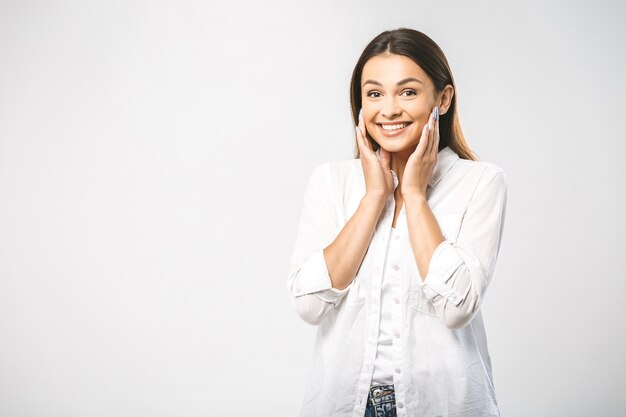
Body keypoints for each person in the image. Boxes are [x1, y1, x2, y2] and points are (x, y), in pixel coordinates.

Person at [286, 28, 508, 417]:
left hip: (443, 406)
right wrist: (374, 197)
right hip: (345, 405)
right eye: (374, 93)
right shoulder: (331, 181)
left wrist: (416, 196)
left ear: (442, 98)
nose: (388, 109)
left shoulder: (480, 182)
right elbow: (309, 304)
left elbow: (458, 307)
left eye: (407, 91)